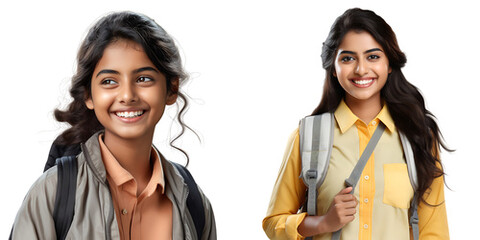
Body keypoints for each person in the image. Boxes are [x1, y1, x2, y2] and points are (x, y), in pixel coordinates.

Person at [11, 11, 216, 240]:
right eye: (109, 81)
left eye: (143, 78)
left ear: (171, 89)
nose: (127, 95)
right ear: (89, 95)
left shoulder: (194, 203)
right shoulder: (49, 194)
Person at [262, 8, 450, 240]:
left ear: (389, 64)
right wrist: (323, 222)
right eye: (348, 58)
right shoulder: (308, 137)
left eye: (373, 56)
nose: (361, 69)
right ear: (333, 67)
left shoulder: (418, 137)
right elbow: (273, 223)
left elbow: (434, 233)